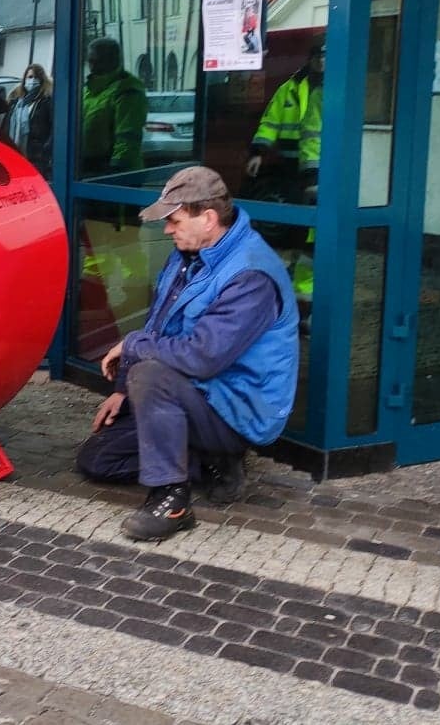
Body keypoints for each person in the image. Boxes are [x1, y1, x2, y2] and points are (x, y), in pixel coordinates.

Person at [74, 167, 298, 541]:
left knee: (150, 375)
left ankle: (172, 500)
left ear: (208, 218)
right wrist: (123, 391)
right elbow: (159, 323)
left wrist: (132, 347)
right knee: (97, 458)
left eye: (174, 220)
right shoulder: (188, 252)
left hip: (236, 410)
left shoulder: (251, 275)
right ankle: (210, 462)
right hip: (197, 392)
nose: (167, 229)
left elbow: (201, 357)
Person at [244, 42, 324, 306]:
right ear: (311, 58)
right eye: (319, 55)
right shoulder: (290, 88)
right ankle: (293, 288)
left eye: (327, 56)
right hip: (291, 170)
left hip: (322, 172)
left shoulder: (336, 89)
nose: (322, 62)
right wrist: (259, 151)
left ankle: (305, 290)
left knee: (312, 232)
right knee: (295, 231)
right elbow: (271, 122)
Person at [81, 37, 147, 176]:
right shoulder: (89, 89)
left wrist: (117, 169)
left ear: (110, 60)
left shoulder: (127, 90)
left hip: (110, 170)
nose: (91, 65)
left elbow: (127, 135)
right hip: (88, 168)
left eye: (95, 60)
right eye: (90, 60)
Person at [5, 63, 54, 178]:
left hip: (36, 155)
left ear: (42, 80)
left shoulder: (46, 102)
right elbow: (6, 126)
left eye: (36, 77)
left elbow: (53, 128)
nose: (32, 81)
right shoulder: (16, 102)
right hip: (16, 154)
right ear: (24, 79)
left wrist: (45, 149)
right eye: (30, 77)